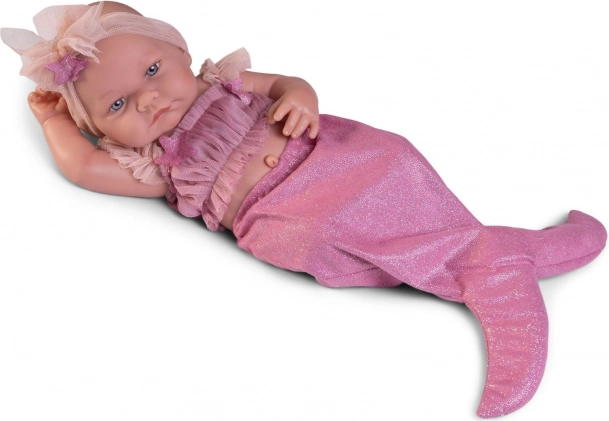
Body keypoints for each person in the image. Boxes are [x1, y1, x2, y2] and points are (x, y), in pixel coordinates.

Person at [1, 2, 606, 418]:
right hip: (283, 214)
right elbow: (83, 168)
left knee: (394, 159)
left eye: (154, 70)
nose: (149, 99)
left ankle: (492, 265)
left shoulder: (224, 83)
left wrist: (301, 100)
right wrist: (53, 119)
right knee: (318, 238)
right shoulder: (157, 164)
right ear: (103, 131)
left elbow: (288, 83)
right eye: (117, 106)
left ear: (180, 51)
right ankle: (498, 271)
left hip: (336, 154)